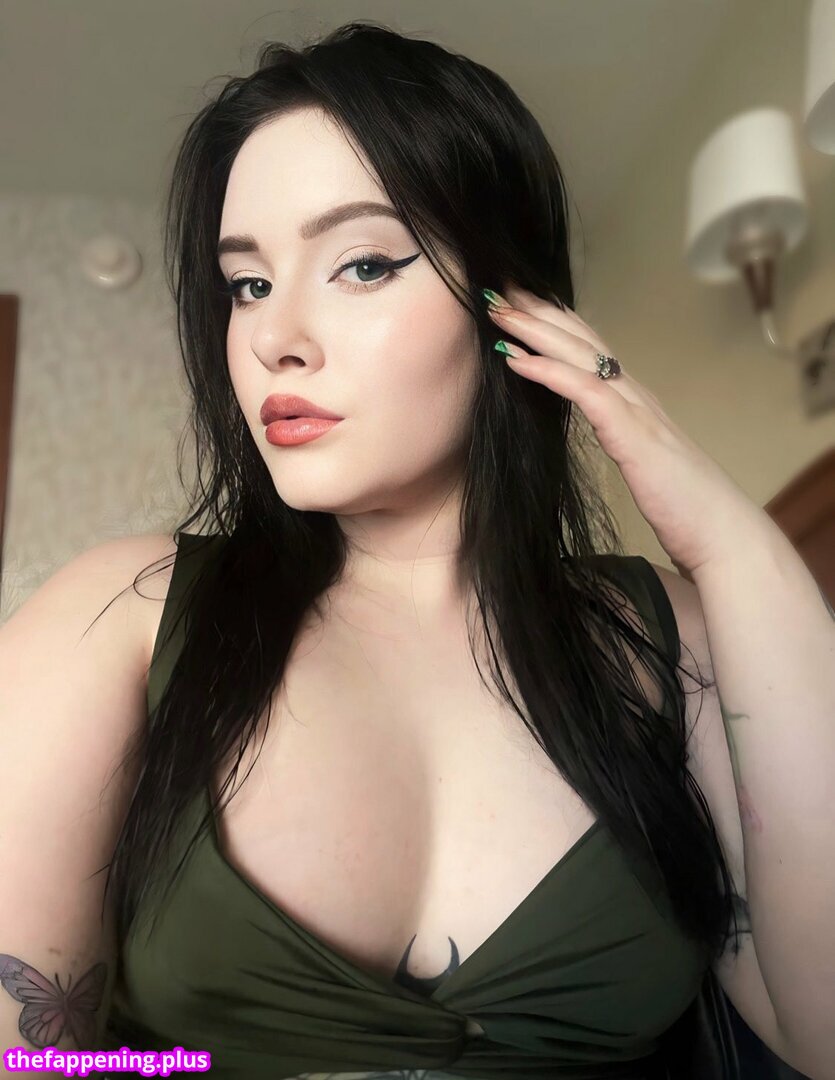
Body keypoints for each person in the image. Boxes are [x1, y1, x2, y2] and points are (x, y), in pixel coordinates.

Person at [1, 21, 750, 1080]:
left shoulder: (676, 633)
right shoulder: (119, 614)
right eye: (247, 284)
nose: (272, 339)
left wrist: (728, 539)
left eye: (360, 264)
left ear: (514, 305)